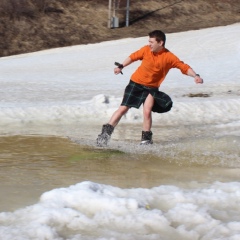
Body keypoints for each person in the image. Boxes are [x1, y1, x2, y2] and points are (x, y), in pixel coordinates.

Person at [96, 30, 203, 146]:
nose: (149, 44)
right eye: (149, 41)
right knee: (123, 109)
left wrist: (195, 76)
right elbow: (133, 57)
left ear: (160, 43)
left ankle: (146, 141)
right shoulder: (146, 50)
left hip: (151, 88)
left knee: (147, 112)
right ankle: (104, 136)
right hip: (136, 84)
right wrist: (121, 66)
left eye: (151, 42)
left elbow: (184, 67)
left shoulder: (169, 57)